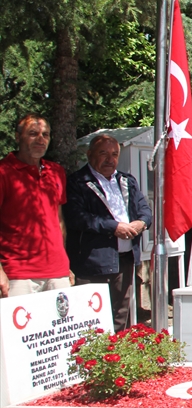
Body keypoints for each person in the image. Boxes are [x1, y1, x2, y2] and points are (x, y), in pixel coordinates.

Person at [64, 134, 153, 330]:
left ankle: (116, 356)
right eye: (103, 153)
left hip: (125, 259)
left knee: (121, 315)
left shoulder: (126, 180)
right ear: (89, 155)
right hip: (93, 262)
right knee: (90, 318)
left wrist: (141, 223)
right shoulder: (78, 182)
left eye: (114, 154)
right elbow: (77, 217)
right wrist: (114, 227)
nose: (109, 159)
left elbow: (145, 210)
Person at [0, 114, 71, 297]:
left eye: (45, 134)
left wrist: (65, 263)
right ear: (18, 137)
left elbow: (59, 220)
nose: (41, 139)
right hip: (18, 274)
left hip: (57, 272)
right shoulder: (3, 172)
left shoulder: (56, 172)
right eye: (33, 133)